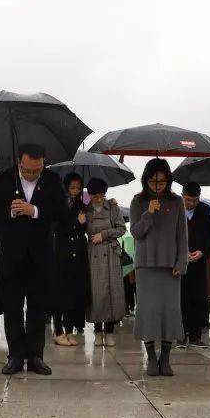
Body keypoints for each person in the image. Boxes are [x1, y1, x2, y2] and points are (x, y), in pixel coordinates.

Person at [0, 143, 66, 376]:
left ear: (43, 163)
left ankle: (36, 357)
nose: (32, 174)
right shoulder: (4, 178)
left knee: (37, 307)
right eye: (28, 170)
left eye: (37, 170)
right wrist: (9, 211)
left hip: (41, 256)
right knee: (12, 306)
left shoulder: (52, 179)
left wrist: (35, 211)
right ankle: (15, 356)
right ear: (20, 162)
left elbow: (62, 213)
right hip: (12, 255)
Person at [130, 158, 188, 377]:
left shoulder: (177, 202)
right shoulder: (137, 201)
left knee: (169, 313)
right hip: (145, 266)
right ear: (146, 180)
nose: (158, 185)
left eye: (162, 181)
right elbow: (136, 232)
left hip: (170, 267)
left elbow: (182, 235)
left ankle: (165, 357)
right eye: (153, 181)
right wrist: (149, 213)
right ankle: (151, 358)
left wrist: (181, 262)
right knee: (148, 312)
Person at [86, 177, 127, 348]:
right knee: (96, 293)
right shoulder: (85, 210)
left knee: (112, 291)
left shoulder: (113, 207)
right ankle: (97, 331)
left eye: (101, 195)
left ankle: (109, 331)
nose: (98, 199)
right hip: (93, 253)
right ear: (90, 195)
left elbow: (122, 228)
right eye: (95, 196)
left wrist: (103, 234)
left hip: (110, 252)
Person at [52, 173, 89, 347]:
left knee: (72, 295)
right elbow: (57, 228)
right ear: (66, 187)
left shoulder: (82, 205)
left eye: (78, 187)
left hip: (78, 254)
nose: (75, 191)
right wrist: (76, 222)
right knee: (60, 294)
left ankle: (68, 330)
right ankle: (58, 331)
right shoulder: (58, 204)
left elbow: (84, 229)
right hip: (61, 254)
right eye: (72, 187)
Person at [180, 181, 210, 348]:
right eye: (187, 199)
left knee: (198, 299)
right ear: (182, 196)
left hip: (198, 261)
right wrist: (182, 253)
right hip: (180, 262)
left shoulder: (205, 210)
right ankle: (180, 335)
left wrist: (202, 251)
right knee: (181, 298)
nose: (191, 203)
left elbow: (209, 236)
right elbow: (171, 236)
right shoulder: (176, 210)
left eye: (194, 200)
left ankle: (195, 336)